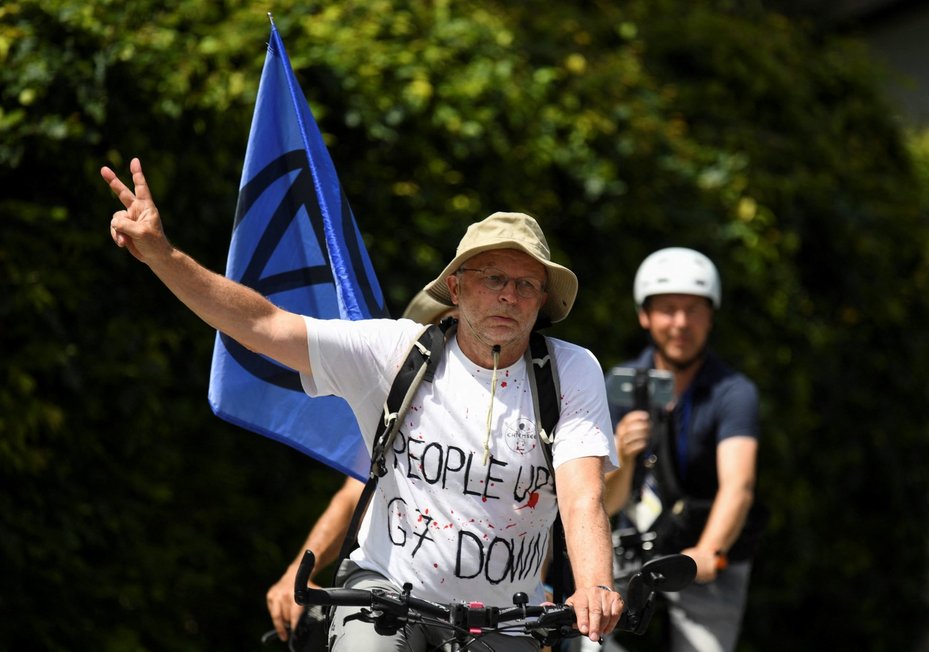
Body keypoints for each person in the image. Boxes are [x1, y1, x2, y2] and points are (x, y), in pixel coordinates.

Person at [101, 158, 623, 651]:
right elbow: (263, 325)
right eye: (493, 278)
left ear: (543, 300)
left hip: (506, 613)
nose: (510, 295)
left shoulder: (570, 371)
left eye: (527, 284)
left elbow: (581, 497)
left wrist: (595, 585)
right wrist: (162, 256)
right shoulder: (395, 352)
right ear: (456, 288)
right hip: (386, 592)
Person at [265, 291, 457, 646]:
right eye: (443, 327)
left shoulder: (526, 397)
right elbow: (353, 494)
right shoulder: (403, 405)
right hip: (396, 593)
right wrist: (298, 570)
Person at [595, 247, 762, 652]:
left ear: (711, 315)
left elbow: (738, 486)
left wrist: (707, 553)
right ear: (645, 315)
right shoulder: (617, 384)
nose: (681, 323)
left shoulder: (733, 392)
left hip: (705, 553)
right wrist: (623, 455)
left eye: (694, 310)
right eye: (668, 309)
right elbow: (604, 503)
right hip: (628, 551)